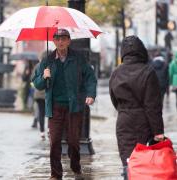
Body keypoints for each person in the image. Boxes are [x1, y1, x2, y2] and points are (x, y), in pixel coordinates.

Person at [32, 29, 97, 180]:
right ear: (53, 41)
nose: (60, 42)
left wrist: (90, 94)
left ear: (69, 41)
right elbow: (37, 84)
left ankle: (76, 168)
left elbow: (90, 77)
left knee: (73, 141)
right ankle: (55, 174)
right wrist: (43, 76)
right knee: (54, 141)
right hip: (55, 108)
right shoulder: (47, 60)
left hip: (74, 107)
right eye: (57, 39)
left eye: (63, 39)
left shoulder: (78, 59)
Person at [109, 36, 164, 180]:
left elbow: (114, 99)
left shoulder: (116, 73)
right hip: (143, 123)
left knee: (128, 161)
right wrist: (158, 132)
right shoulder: (148, 72)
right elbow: (153, 106)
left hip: (123, 121)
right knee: (142, 162)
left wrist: (124, 110)